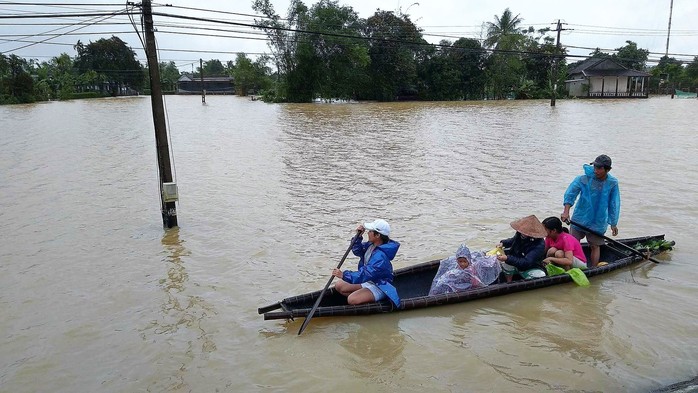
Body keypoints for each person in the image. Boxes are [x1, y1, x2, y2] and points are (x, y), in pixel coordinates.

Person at [561, 154, 621, 267]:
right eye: (595, 167)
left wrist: (613, 223)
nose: (596, 170)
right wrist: (566, 211)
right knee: (571, 243)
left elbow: (614, 203)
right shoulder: (583, 179)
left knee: (595, 246)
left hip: (598, 220)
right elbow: (571, 194)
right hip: (580, 216)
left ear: (607, 169)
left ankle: (593, 269)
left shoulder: (612, 183)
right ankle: (568, 268)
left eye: (599, 168)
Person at [332, 219, 400, 307]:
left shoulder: (380, 256)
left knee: (352, 299)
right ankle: (363, 297)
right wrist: (358, 237)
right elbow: (357, 251)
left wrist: (344, 275)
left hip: (380, 286)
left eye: (370, 231)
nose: (368, 233)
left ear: (378, 235)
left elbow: (366, 273)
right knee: (339, 285)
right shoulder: (371, 245)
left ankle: (372, 300)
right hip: (368, 280)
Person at [429, 244, 501, 295]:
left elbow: (475, 282)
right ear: (457, 261)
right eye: (460, 261)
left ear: (468, 260)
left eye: (464, 261)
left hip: (471, 285)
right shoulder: (456, 266)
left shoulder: (471, 269)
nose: (462, 264)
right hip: (461, 283)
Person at [496, 215, 547, 282]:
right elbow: (513, 240)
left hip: (530, 267)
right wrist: (503, 243)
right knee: (505, 261)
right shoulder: (520, 234)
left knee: (540, 275)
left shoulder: (539, 245)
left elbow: (526, 262)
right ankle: (509, 282)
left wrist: (507, 258)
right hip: (516, 259)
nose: (522, 233)